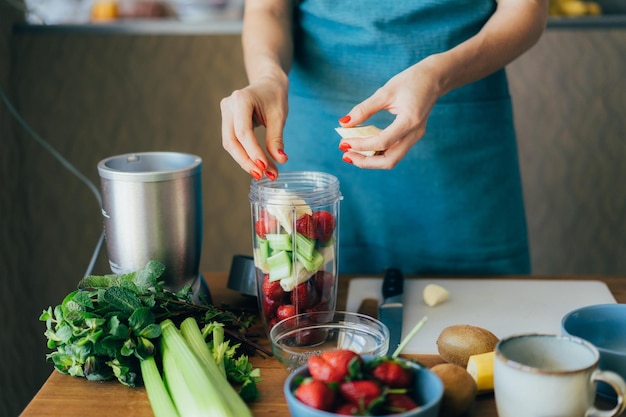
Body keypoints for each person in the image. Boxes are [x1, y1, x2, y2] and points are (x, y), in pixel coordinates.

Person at [221, 0, 548, 275]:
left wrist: (437, 76)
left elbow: (525, 10)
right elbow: (269, 9)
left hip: (459, 146)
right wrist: (268, 77)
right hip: (319, 143)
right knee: (317, 294)